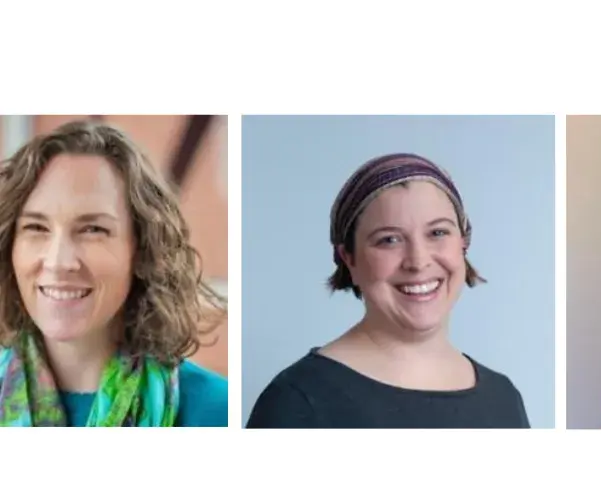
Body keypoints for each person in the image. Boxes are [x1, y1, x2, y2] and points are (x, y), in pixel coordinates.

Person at [246, 152, 529, 428]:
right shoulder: (298, 401)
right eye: (389, 240)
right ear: (349, 258)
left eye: (438, 233)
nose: (418, 261)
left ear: (463, 243)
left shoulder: (504, 397)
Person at [0, 120, 228, 427]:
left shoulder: (216, 410)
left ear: (142, 249)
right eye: (36, 228)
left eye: (93, 229)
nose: (58, 261)